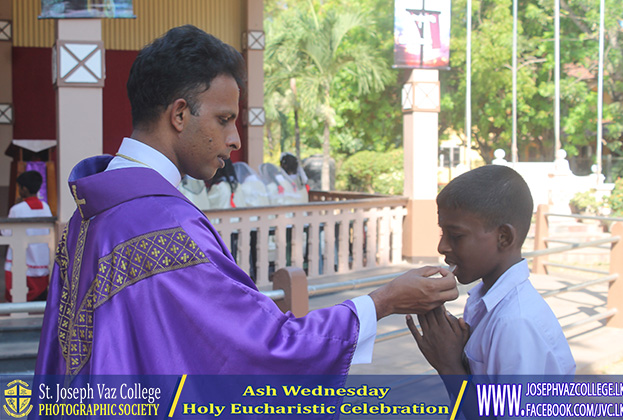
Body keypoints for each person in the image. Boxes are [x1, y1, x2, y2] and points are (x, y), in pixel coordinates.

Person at [35, 25, 458, 377]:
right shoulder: (163, 224)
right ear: (179, 115)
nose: (235, 140)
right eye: (224, 120)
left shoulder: (88, 216)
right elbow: (265, 347)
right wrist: (383, 301)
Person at [407, 165, 575, 376]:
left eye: (456, 236)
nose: (442, 247)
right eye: (443, 233)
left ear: (503, 237)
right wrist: (457, 355)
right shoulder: (482, 300)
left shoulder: (516, 324)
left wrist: (449, 366)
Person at [2, 170, 53, 302]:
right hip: (41, 258)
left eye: (19, 187)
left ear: (24, 188)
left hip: (23, 259)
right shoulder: (45, 207)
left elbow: (7, 233)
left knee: (20, 295)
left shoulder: (17, 209)